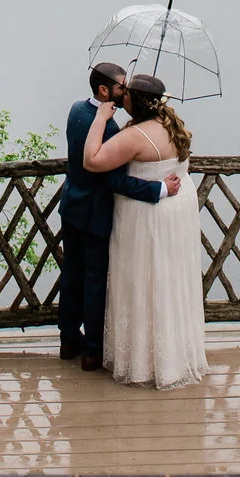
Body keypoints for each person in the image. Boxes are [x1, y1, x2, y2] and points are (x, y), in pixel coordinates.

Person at [82, 72, 209, 389]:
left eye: (124, 95)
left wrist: (99, 119)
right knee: (169, 281)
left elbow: (92, 161)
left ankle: (143, 362)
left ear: (134, 103)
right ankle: (172, 355)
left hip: (148, 218)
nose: (119, 97)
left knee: (144, 281)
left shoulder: (135, 136)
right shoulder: (173, 125)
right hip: (177, 213)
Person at [59, 63, 181, 370]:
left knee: (71, 276)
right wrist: (159, 189)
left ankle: (67, 340)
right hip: (97, 214)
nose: (125, 91)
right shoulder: (111, 130)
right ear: (104, 91)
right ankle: (92, 351)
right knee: (95, 282)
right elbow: (114, 181)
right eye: (121, 87)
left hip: (71, 206)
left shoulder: (76, 110)